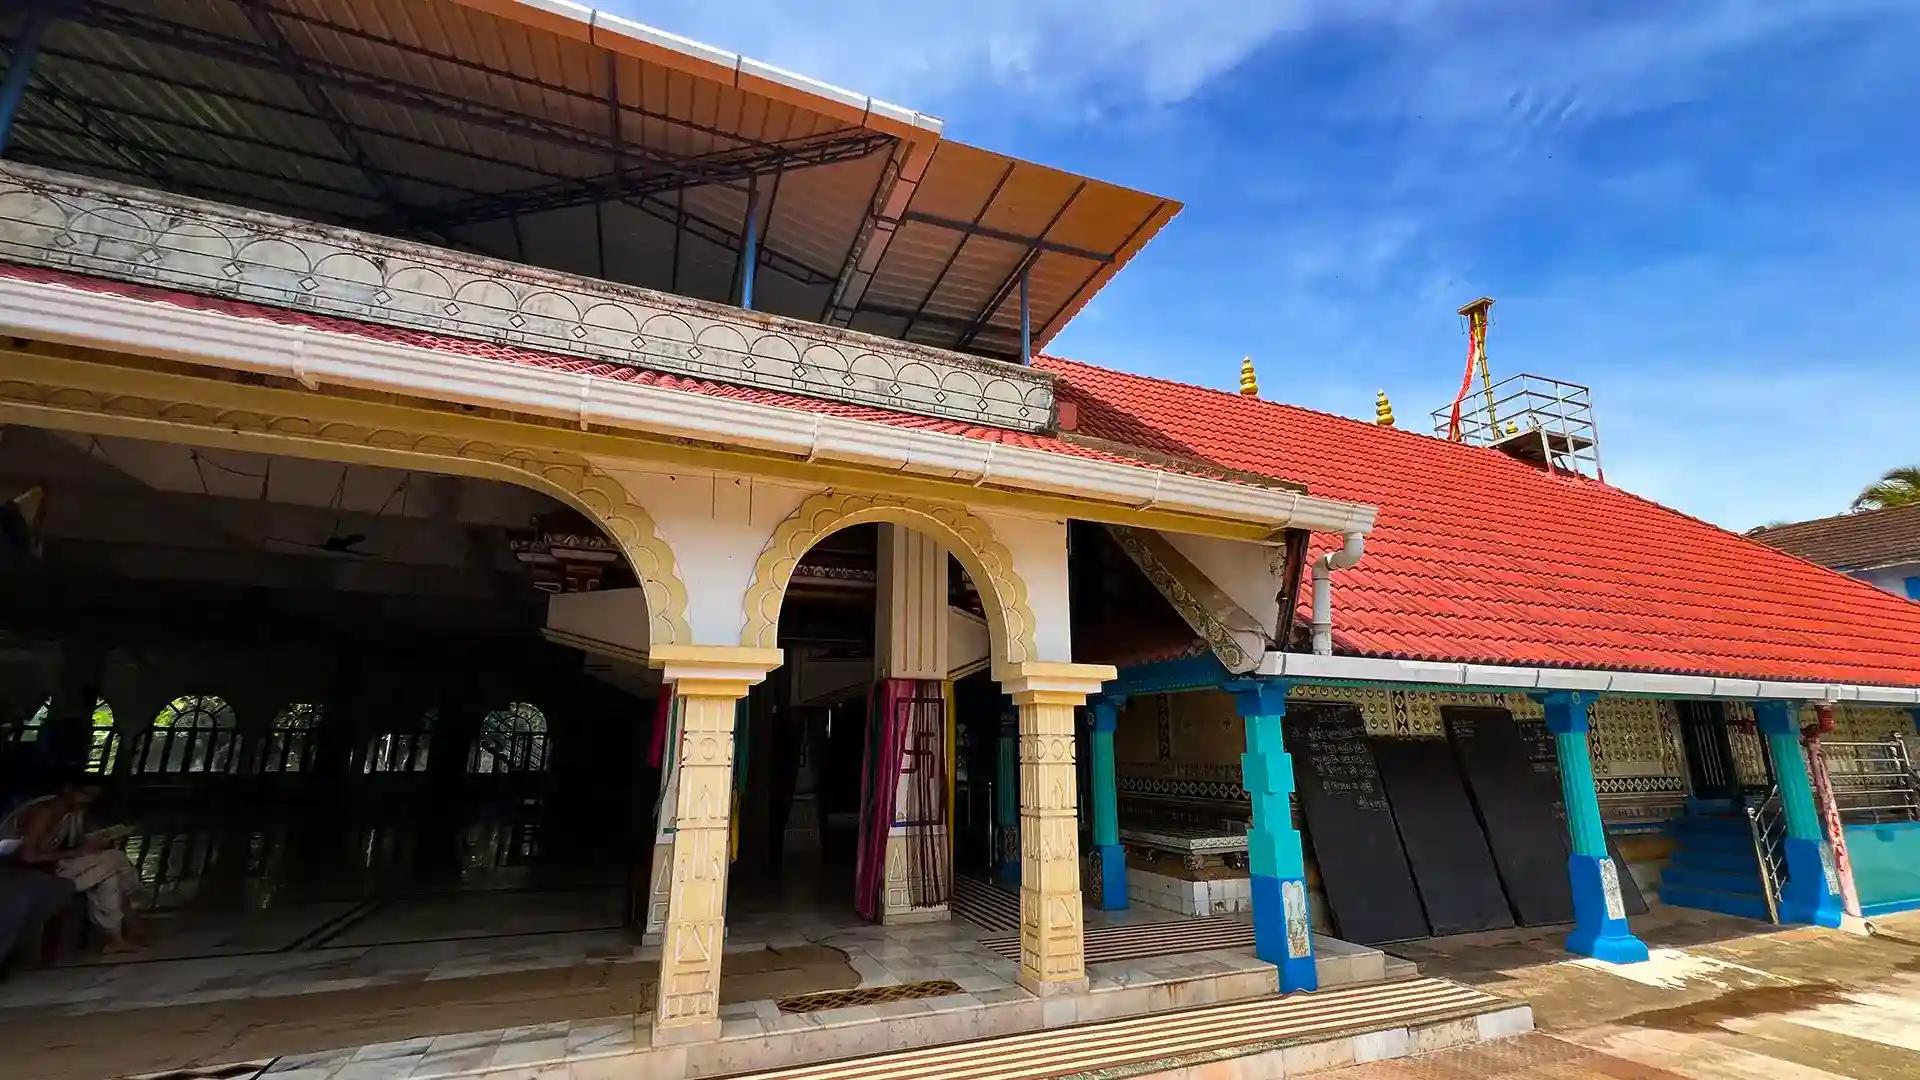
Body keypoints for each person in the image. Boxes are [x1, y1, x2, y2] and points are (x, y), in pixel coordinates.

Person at [0, 775, 143, 953]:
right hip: (26, 871)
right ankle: (127, 915)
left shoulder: (71, 813)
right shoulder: (46, 811)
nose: (87, 801)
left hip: (52, 865)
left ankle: (116, 940)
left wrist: (91, 845)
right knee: (115, 859)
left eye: (92, 797)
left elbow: (67, 844)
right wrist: (75, 853)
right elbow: (27, 856)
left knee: (109, 874)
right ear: (68, 790)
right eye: (84, 794)